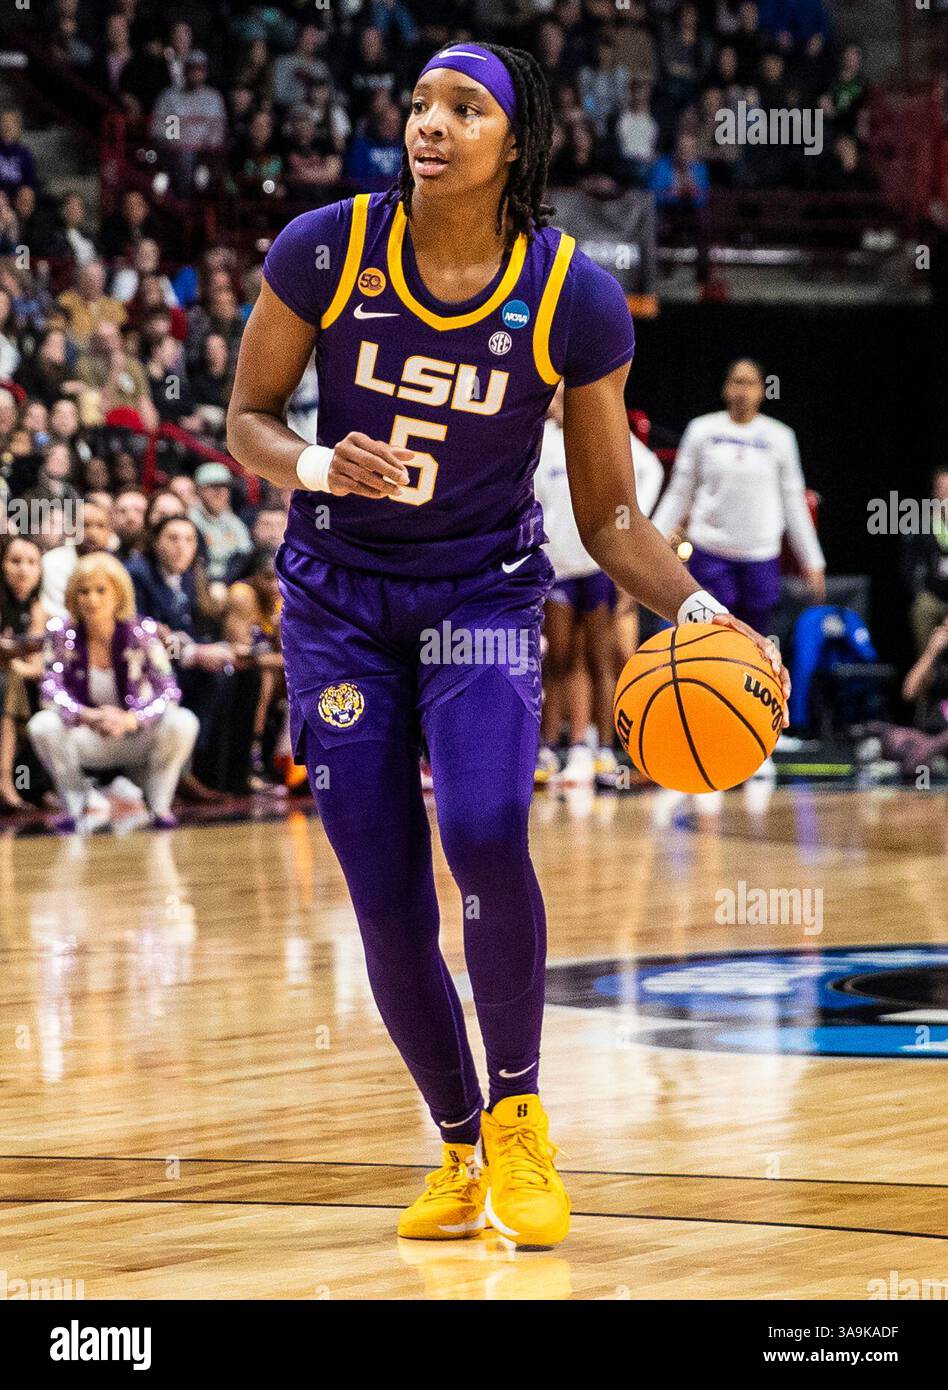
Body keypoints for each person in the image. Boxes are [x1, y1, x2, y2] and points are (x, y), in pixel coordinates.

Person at [226, 40, 788, 1250]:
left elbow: (610, 517)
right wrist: (320, 462)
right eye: (421, 104)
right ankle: (458, 1139)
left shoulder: (572, 295)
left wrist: (700, 610)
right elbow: (248, 420)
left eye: (463, 108)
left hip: (479, 598)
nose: (431, 124)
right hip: (338, 604)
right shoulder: (324, 246)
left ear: (514, 141)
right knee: (383, 894)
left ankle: (524, 1109)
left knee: (483, 828)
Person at [534, 379, 664, 786]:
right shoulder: (538, 444)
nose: (554, 402)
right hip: (557, 567)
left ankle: (603, 751)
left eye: (560, 395)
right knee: (558, 659)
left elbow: (651, 469)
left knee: (600, 659)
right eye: (551, 395)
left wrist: (633, 521)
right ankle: (551, 748)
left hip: (597, 565)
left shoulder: (600, 433)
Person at [652, 357, 826, 635]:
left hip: (760, 557)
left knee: (755, 640)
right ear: (725, 388)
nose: (742, 390)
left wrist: (813, 562)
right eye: (737, 382)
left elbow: (794, 502)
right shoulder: (702, 430)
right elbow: (679, 492)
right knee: (708, 636)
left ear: (762, 390)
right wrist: (653, 542)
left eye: (750, 383)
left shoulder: (780, 436)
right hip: (710, 555)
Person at [27, 552, 198, 830]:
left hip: (135, 734)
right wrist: (87, 715)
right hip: (86, 734)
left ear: (118, 594)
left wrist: (133, 719)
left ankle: (159, 804)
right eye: (83, 591)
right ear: (73, 595)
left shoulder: (141, 632)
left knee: (184, 721)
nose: (91, 599)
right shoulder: (60, 633)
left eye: (100, 590)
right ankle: (73, 804)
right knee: (42, 724)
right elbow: (50, 690)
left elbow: (169, 691)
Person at [0, 534, 46, 811]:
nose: (23, 569)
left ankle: (30, 784)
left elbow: (36, 666)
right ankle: (6, 783)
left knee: (13, 681)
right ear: (2, 565)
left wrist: (12, 659)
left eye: (31, 562)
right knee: (8, 682)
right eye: (15, 561)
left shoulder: (36, 608)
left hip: (12, 681)